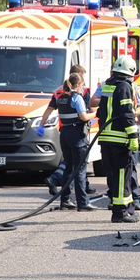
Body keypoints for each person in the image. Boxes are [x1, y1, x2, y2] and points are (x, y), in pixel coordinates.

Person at [37, 64, 95, 196]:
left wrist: (41, 125)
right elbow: (88, 112)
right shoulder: (83, 92)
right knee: (80, 164)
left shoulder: (58, 92)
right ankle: (81, 196)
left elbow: (49, 109)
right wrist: (97, 114)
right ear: (79, 78)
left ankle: (66, 196)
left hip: (63, 131)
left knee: (70, 163)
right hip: (78, 130)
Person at [97, 55, 140, 223]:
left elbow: (100, 111)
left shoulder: (108, 85)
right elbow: (127, 113)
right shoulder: (124, 87)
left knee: (117, 176)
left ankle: (128, 208)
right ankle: (120, 213)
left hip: (106, 139)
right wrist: (133, 136)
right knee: (123, 176)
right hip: (120, 140)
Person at [57, 73, 98, 212]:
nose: (82, 88)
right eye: (82, 85)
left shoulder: (61, 98)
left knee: (69, 168)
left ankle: (65, 200)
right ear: (78, 84)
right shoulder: (77, 98)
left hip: (64, 135)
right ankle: (83, 203)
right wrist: (96, 114)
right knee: (80, 169)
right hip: (76, 135)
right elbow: (84, 116)